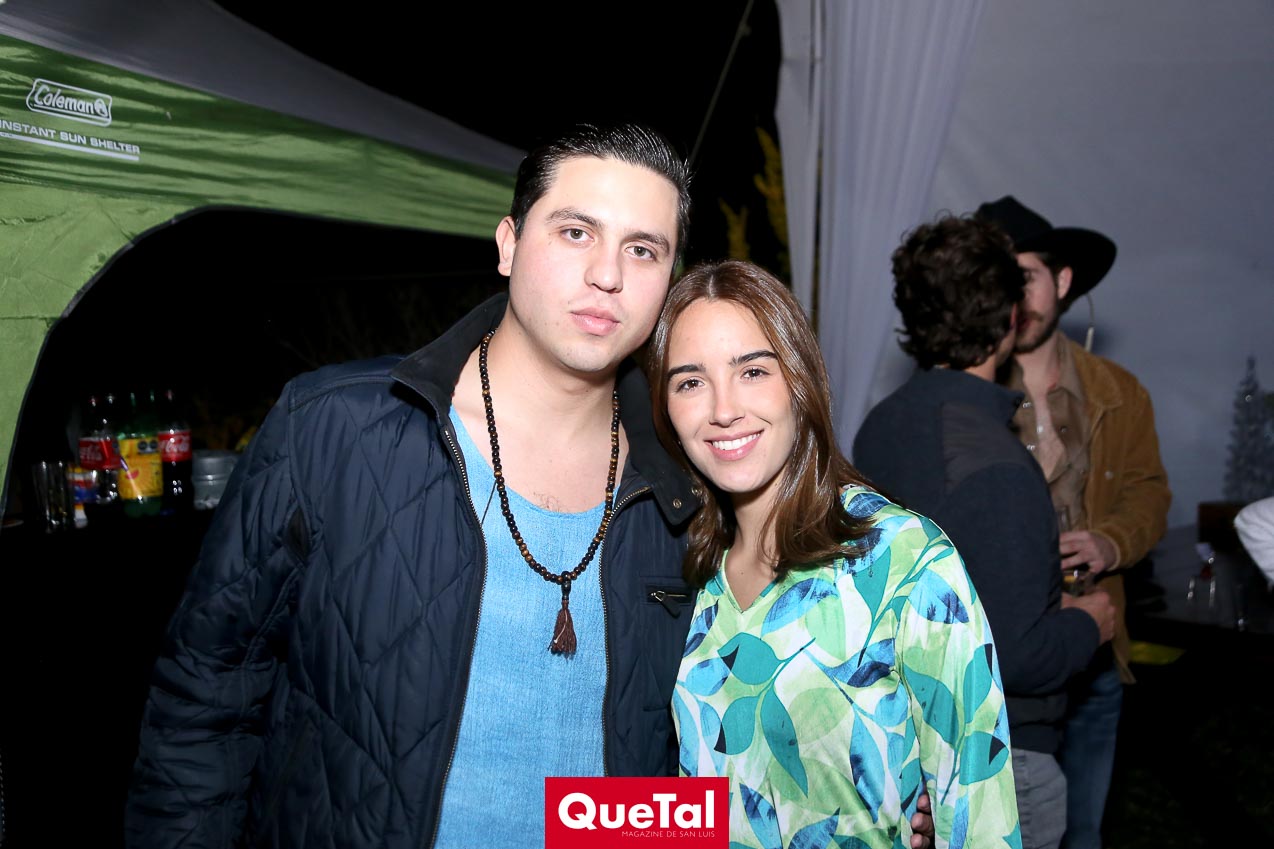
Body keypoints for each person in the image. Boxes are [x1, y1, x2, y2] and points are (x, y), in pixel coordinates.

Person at [125, 123, 940, 849]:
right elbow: (204, 704)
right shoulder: (337, 430)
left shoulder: (689, 493)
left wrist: (833, 810)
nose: (607, 274)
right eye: (576, 231)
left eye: (643, 250)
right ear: (509, 244)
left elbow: (655, 787)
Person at [648, 260, 1018, 849]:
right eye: (690, 382)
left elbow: (980, 813)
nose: (723, 408)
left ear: (799, 381)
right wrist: (552, 821)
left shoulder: (902, 559)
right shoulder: (678, 564)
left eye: (752, 371)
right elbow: (700, 801)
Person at [853, 215, 1117, 849]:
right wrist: (1089, 623)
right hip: (996, 762)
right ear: (1011, 320)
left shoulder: (880, 425)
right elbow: (1015, 657)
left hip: (904, 741)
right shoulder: (997, 466)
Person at [976, 196, 1171, 849]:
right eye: (997, 280)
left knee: (1082, 832)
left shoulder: (1118, 391)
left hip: (1090, 650)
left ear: (1061, 281)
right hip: (1001, 661)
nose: (1013, 297)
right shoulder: (966, 396)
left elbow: (1148, 490)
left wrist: (1111, 542)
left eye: (1024, 276)